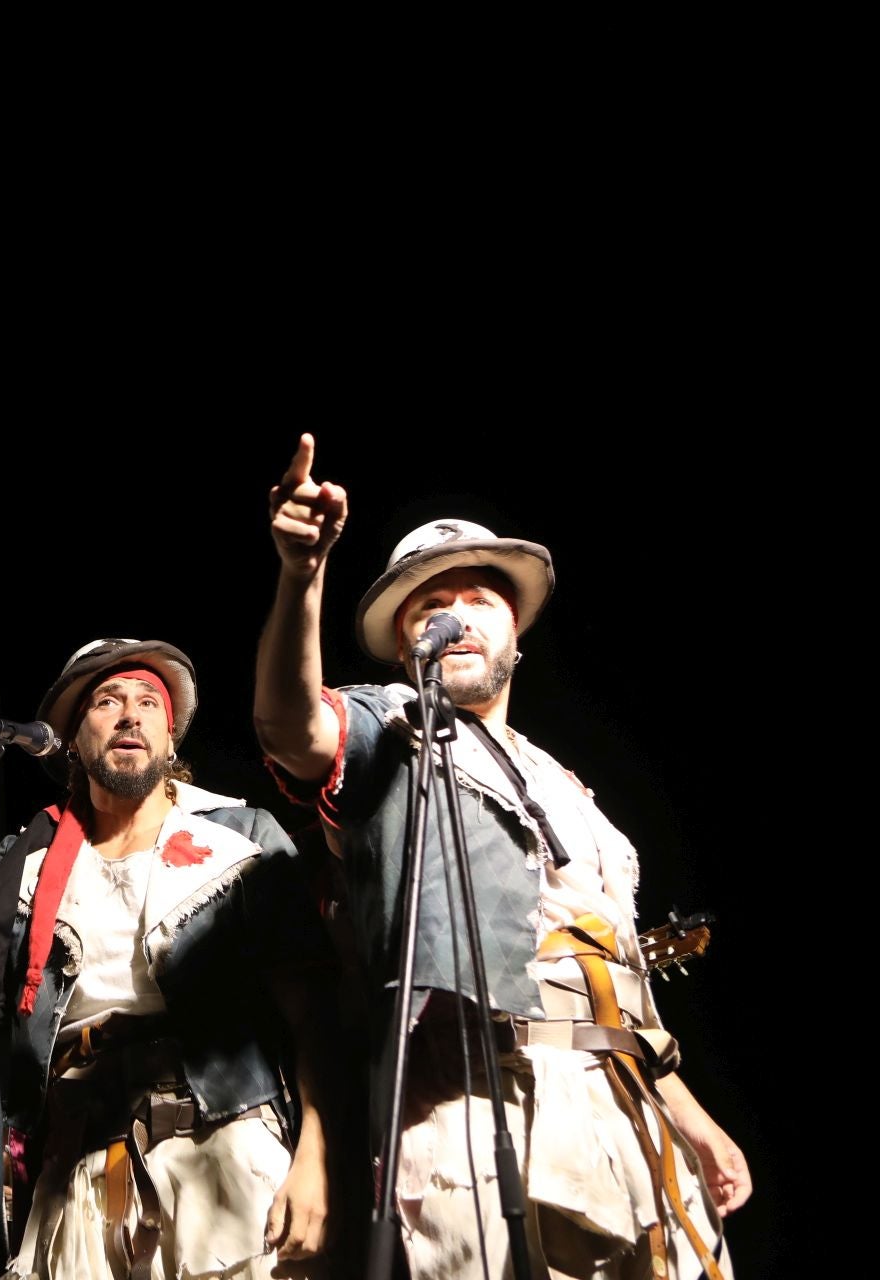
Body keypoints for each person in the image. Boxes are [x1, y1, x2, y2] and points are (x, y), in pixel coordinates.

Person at [252, 433, 750, 1279]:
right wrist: (302, 575)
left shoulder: (568, 788)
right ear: (407, 637)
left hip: (622, 1117)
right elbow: (293, 727)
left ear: (515, 628)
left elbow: (614, 975)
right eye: (429, 604)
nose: (456, 614)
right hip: (473, 1111)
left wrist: (690, 1114)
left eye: (479, 597)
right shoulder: (394, 727)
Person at [0, 644, 337, 1279]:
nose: (130, 715)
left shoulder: (238, 839)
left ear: (170, 733)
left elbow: (315, 1010)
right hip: (78, 1173)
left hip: (223, 1153)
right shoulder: (28, 864)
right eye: (108, 701)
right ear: (72, 738)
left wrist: (316, 1157)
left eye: (148, 702)